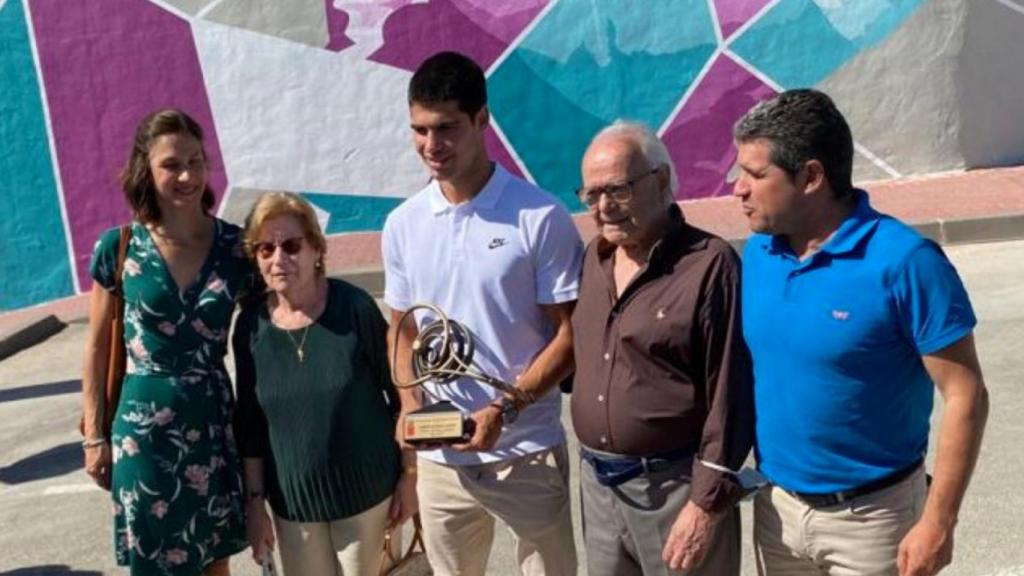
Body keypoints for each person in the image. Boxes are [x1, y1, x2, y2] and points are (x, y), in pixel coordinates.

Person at [732, 89, 989, 576]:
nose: (738, 189)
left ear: (811, 177)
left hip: (875, 522)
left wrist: (939, 521)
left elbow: (966, 393)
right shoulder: (759, 255)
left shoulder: (905, 261)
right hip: (777, 514)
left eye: (756, 175)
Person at [382, 51, 583, 576]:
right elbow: (402, 331)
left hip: (526, 449)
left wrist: (504, 410)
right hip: (441, 459)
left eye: (446, 128)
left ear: (481, 120)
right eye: (420, 130)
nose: (431, 145)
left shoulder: (539, 217)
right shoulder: (402, 224)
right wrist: (409, 407)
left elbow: (569, 336)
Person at [571, 121, 754, 576]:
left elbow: (730, 398)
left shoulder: (710, 265)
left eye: (617, 190)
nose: (604, 208)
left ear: (661, 181)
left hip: (675, 490)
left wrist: (704, 503)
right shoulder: (595, 260)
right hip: (598, 488)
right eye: (591, 195)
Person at [81, 108, 248, 575]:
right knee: (151, 563)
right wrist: (95, 435)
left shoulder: (237, 249)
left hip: (212, 424)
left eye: (196, 161)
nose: (187, 175)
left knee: (214, 561)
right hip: (141, 435)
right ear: (146, 170)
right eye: (172, 164)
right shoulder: (119, 247)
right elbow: (95, 349)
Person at [232, 192, 409, 575]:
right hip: (294, 508)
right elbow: (249, 424)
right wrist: (255, 503)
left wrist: (410, 477)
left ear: (316, 249)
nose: (278, 259)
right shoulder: (250, 328)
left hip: (370, 498)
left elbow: (402, 398)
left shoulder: (354, 307)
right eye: (265, 249)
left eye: (291, 246)